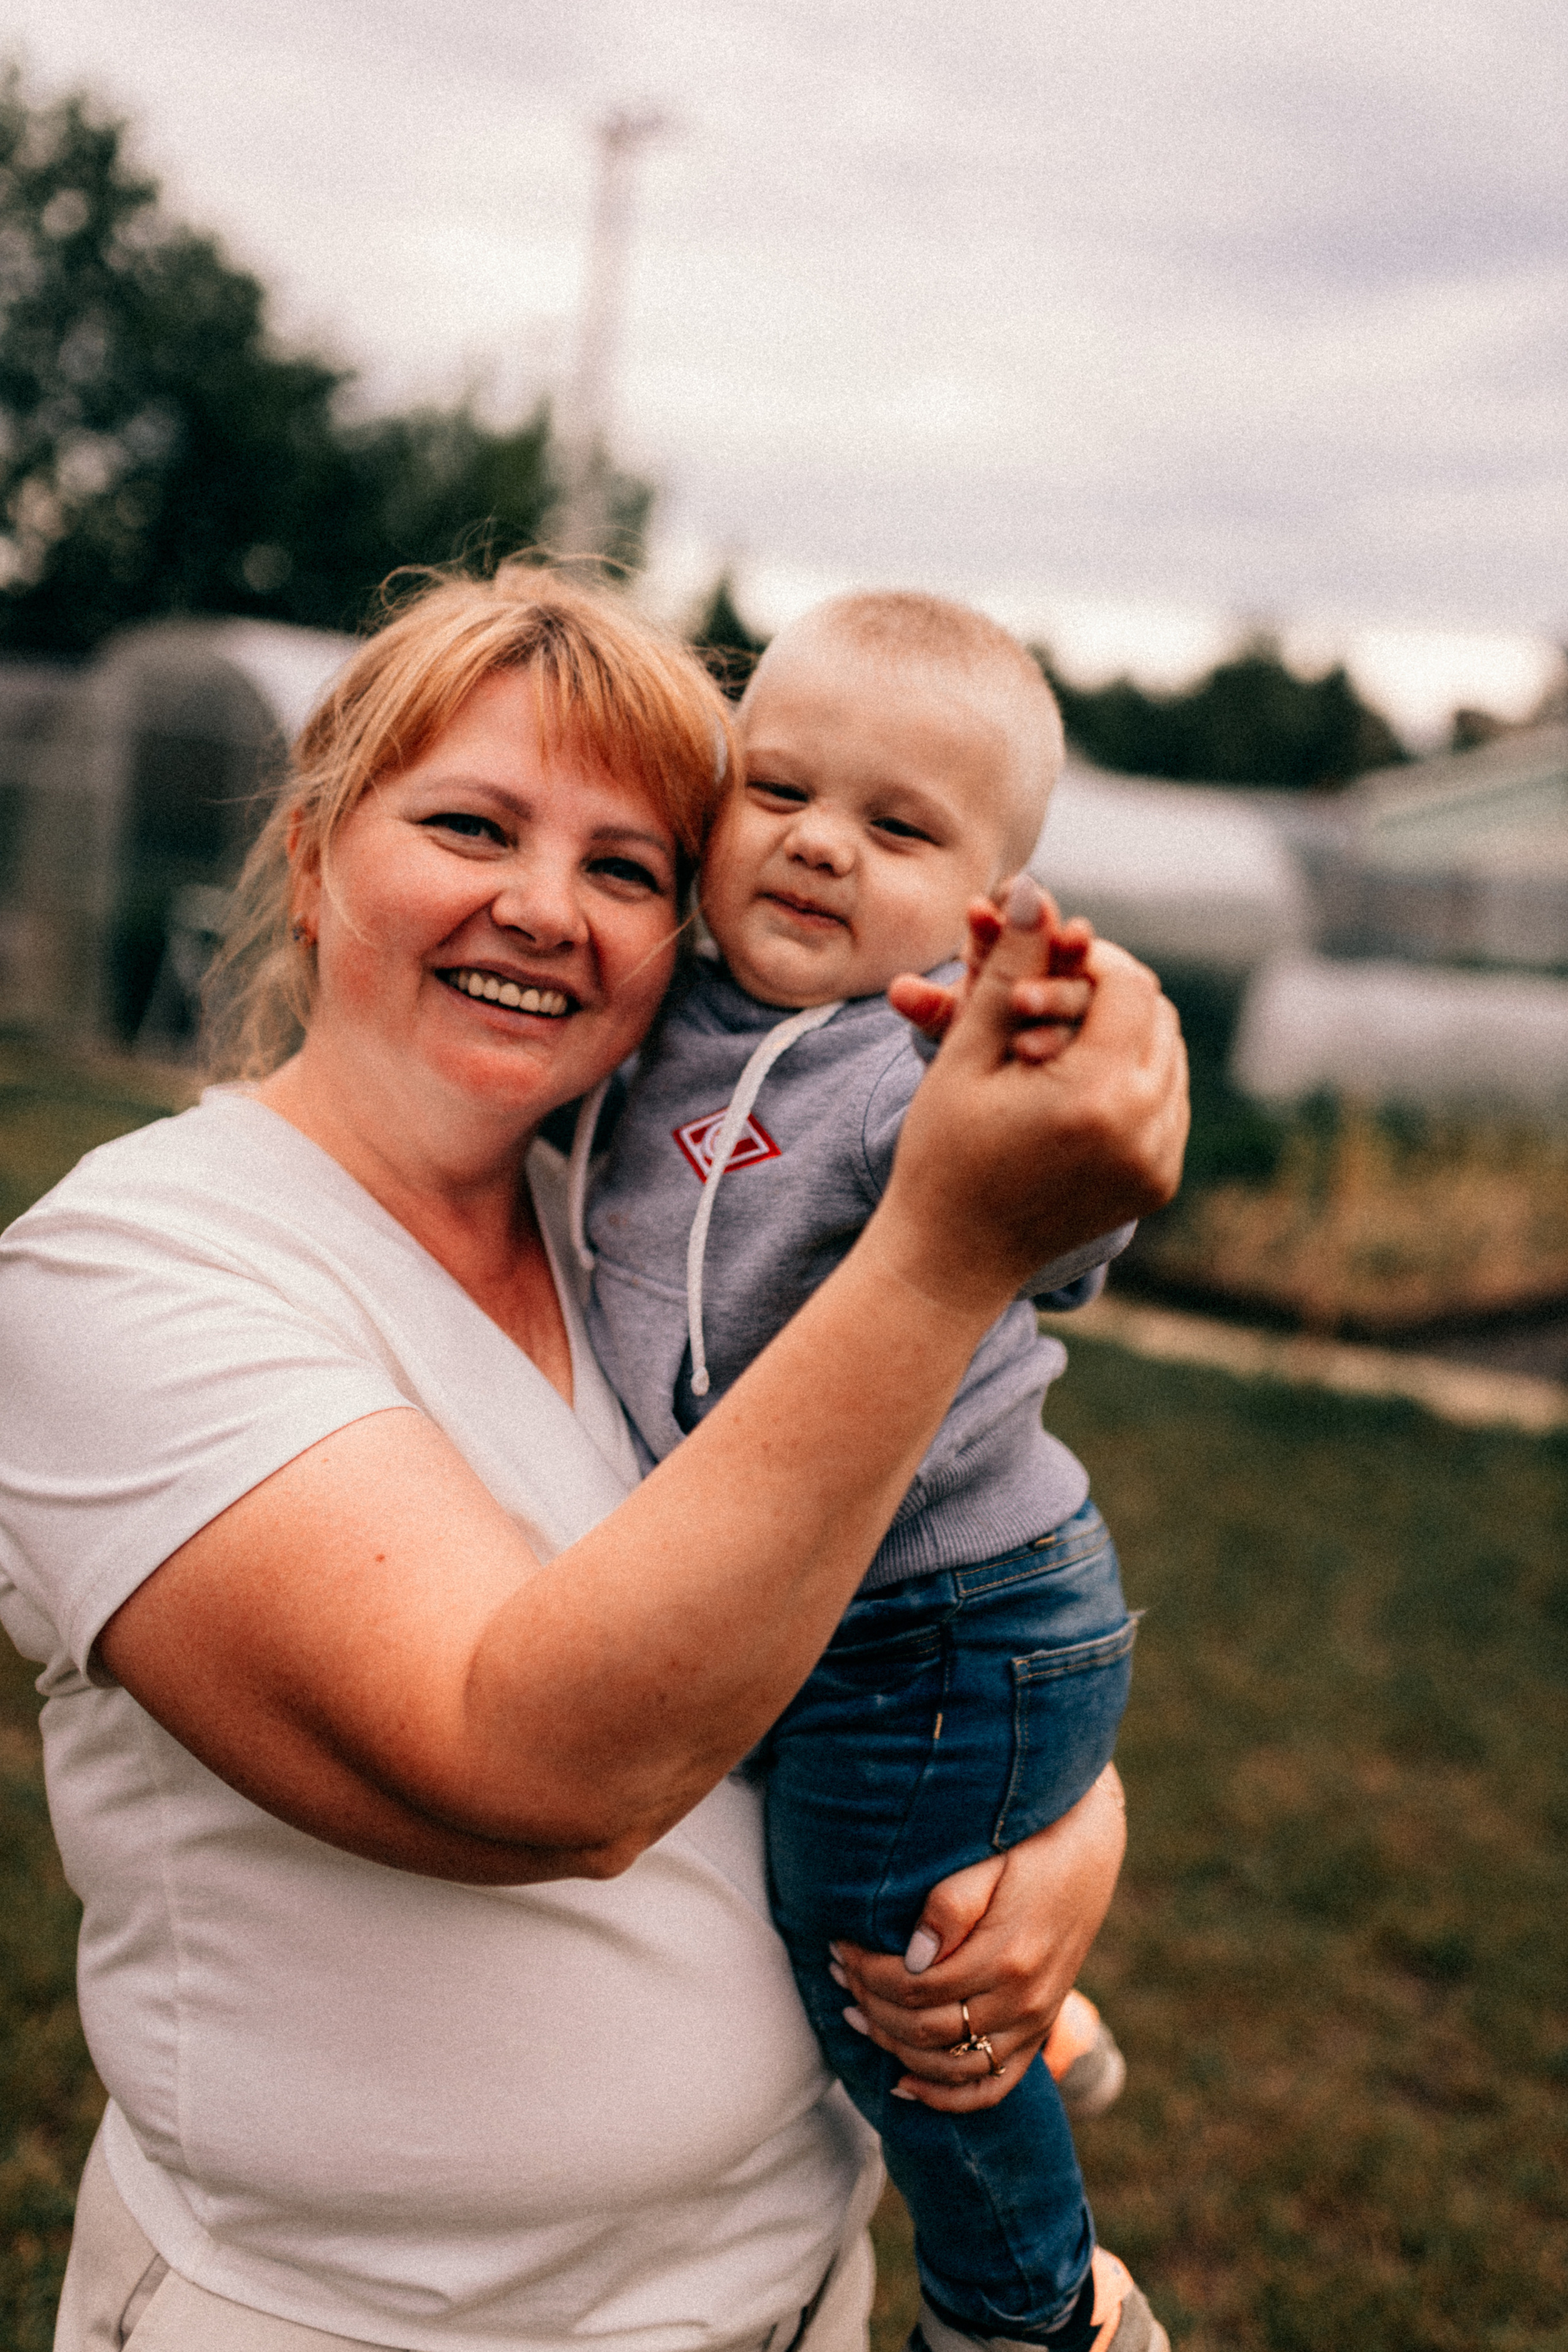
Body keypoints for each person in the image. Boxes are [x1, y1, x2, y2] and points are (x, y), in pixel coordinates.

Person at [0, 567, 1187, 2352]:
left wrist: (1062, 1818)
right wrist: (947, 1247)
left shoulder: (635, 1223)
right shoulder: (133, 1265)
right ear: (317, 856)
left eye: (626, 867)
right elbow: (538, 1767)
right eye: (471, 825)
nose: (545, 908)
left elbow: (873, 1579)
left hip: (784, 2287)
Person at [579, 593, 1156, 2352]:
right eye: (781, 792)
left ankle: (1033, 2315)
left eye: (898, 826)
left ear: (984, 899)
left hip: (946, 1616)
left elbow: (1053, 1222)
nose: (822, 841)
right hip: (825, 1604)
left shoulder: (913, 1063)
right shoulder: (660, 1021)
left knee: (873, 1978)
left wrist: (1034, 1056)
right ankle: (1043, 2014)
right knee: (852, 1875)